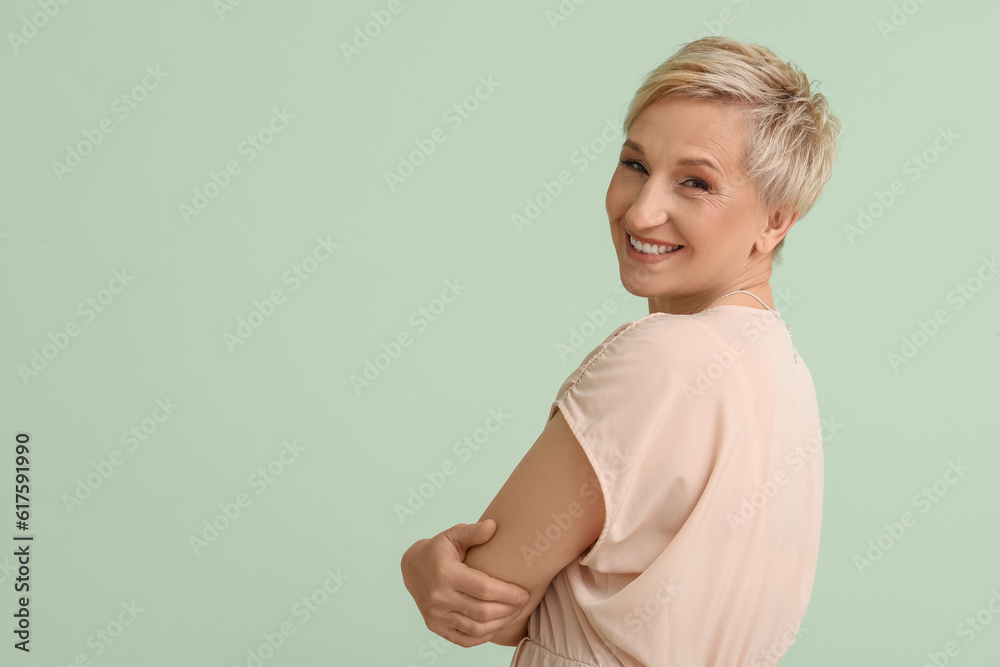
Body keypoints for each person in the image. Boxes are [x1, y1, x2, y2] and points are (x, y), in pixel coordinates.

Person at [401, 35, 840, 666]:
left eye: (695, 182)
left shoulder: (662, 358)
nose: (640, 211)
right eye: (635, 164)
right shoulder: (784, 372)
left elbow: (481, 602)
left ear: (775, 221)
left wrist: (423, 562)